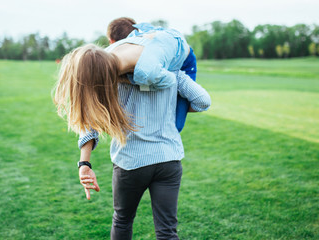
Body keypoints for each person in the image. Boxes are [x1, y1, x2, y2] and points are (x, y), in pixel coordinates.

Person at [53, 29, 211, 239]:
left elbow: (89, 120)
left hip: (130, 163)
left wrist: (85, 163)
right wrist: (174, 106)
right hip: (169, 159)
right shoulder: (170, 70)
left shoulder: (107, 80)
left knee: (123, 220)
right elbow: (203, 101)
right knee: (167, 230)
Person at [107, 17, 197, 132]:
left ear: (111, 40)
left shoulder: (146, 62)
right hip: (164, 56)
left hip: (185, 61)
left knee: (176, 124)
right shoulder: (109, 54)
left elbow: (169, 81)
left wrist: (129, 80)